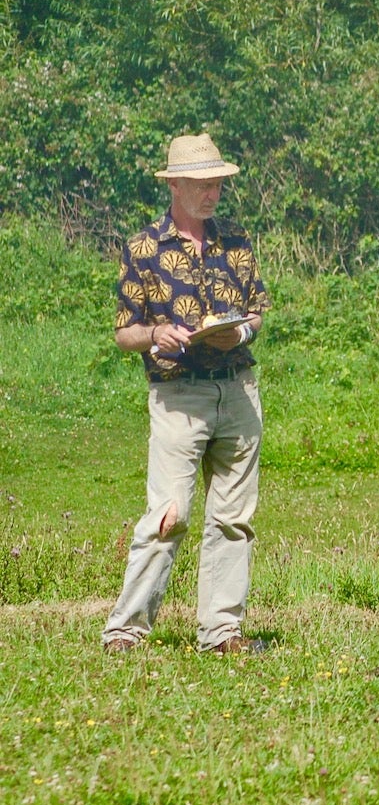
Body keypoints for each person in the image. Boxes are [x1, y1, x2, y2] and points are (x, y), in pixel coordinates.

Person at [102, 133, 271, 655]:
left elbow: (258, 310)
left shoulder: (238, 242)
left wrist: (237, 332)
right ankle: (125, 630)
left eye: (218, 182)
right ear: (174, 184)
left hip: (237, 391)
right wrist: (157, 334)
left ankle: (221, 633)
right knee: (168, 515)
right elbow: (124, 330)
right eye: (201, 183)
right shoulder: (143, 249)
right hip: (178, 396)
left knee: (234, 519)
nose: (212, 191)